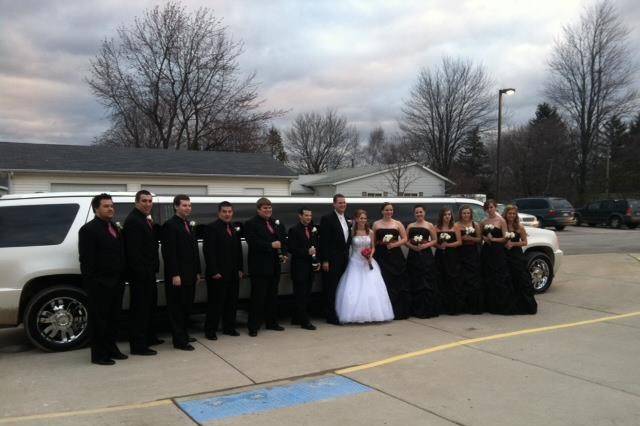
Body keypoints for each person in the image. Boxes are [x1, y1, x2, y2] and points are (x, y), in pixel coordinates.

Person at [78, 193, 127, 365]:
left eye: (111, 205)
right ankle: (99, 355)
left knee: (114, 319)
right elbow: (86, 261)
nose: (111, 208)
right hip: (99, 285)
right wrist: (92, 284)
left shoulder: (114, 227)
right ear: (96, 208)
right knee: (100, 321)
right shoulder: (88, 230)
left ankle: (112, 349)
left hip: (116, 282)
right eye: (106, 206)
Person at [335, 209, 394, 323]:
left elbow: (373, 247)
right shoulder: (351, 231)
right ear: (356, 219)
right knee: (354, 288)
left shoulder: (370, 232)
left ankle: (374, 314)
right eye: (361, 218)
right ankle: (354, 315)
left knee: (372, 288)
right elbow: (348, 246)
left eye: (364, 218)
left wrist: (370, 256)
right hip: (355, 262)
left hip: (368, 262)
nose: (363, 220)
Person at [122, 190, 162, 356]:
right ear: (136, 202)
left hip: (148, 273)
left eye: (150, 201)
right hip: (140, 274)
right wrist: (141, 273)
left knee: (149, 307)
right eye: (144, 201)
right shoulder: (133, 221)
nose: (147, 204)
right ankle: (138, 346)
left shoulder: (144, 219)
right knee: (139, 310)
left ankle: (149, 337)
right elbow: (133, 252)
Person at [161, 194, 201, 350]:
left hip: (190, 274)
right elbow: (169, 253)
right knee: (177, 309)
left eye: (189, 205)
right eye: (184, 205)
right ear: (176, 206)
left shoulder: (188, 225)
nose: (188, 208)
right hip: (178, 275)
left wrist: (197, 271)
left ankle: (183, 334)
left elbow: (194, 251)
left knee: (186, 307)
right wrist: (175, 274)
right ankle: (179, 341)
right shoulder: (170, 225)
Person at [244, 197, 287, 337]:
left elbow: (282, 240)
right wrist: (270, 245)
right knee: (258, 297)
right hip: (259, 267)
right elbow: (253, 242)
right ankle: (253, 326)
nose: (268, 210)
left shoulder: (276, 222)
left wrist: (284, 254)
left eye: (269, 208)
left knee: (272, 296)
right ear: (258, 209)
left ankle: (271, 322)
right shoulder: (251, 223)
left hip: (275, 266)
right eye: (265, 208)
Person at [202, 201, 244, 340]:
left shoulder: (232, 228)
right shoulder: (211, 228)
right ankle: (210, 331)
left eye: (230, 212)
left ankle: (229, 328)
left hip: (232, 273)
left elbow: (238, 251)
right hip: (218, 273)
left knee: (232, 302)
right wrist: (214, 271)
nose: (227, 214)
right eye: (224, 212)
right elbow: (209, 251)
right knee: (215, 303)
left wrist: (240, 268)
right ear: (219, 213)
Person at [373, 202, 410, 320]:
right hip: (381, 256)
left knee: (398, 282)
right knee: (384, 282)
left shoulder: (397, 223)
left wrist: (394, 245)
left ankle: (399, 311)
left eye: (391, 210)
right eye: (386, 210)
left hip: (396, 257)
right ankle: (384, 311)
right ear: (382, 211)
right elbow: (373, 242)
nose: (389, 212)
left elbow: (405, 239)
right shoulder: (376, 224)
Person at [319, 194, 352, 325]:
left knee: (342, 287)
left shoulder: (348, 219)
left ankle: (341, 312)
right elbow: (324, 241)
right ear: (334, 204)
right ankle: (331, 315)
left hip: (345, 259)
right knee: (331, 288)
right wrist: (325, 260)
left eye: (344, 202)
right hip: (332, 259)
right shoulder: (327, 219)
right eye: (340, 203)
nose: (342, 205)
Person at [481, 199, 515, 315]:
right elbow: (480, 236)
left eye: (491, 207)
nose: (490, 210)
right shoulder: (483, 222)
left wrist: (494, 239)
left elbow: (505, 238)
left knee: (499, 276)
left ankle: (500, 304)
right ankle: (489, 304)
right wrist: (485, 238)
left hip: (498, 251)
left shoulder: (501, 221)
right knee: (488, 275)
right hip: (487, 251)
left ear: (495, 207)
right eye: (487, 208)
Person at [405, 205, 440, 318]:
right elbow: (405, 240)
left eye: (421, 212)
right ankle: (415, 309)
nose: (419, 214)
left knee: (426, 280)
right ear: (414, 214)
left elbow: (435, 240)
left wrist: (425, 245)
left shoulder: (429, 225)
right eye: (416, 212)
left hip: (426, 255)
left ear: (424, 212)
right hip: (413, 255)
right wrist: (413, 247)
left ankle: (427, 308)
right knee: (415, 279)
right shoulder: (410, 226)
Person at [287, 207, 319, 330]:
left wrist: (317, 260)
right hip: (299, 267)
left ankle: (296, 318)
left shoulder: (313, 229)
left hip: (311, 266)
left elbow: (316, 245)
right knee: (300, 295)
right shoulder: (294, 230)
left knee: (307, 294)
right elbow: (291, 248)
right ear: (300, 216)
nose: (308, 218)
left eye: (310, 215)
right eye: (306, 215)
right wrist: (307, 252)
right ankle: (305, 322)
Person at [504, 205, 538, 315]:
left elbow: (525, 242)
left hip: (516, 255)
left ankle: (524, 305)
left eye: (514, 214)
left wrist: (513, 243)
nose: (512, 216)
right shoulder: (502, 225)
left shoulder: (519, 227)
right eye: (510, 213)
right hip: (504, 254)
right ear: (506, 214)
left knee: (520, 277)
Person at [434, 207, 463, 315]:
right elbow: (434, 242)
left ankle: (453, 306)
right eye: (445, 214)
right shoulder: (436, 227)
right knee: (441, 278)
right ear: (441, 216)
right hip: (440, 255)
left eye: (449, 214)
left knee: (453, 279)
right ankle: (442, 306)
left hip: (452, 256)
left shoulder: (455, 227)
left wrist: (448, 245)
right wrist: (439, 246)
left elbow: (459, 242)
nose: (447, 216)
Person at [456, 205, 484, 314]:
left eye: (468, 213)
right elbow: (457, 239)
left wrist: (471, 238)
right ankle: (463, 305)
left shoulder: (475, 224)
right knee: (461, 278)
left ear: (471, 214)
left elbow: (479, 239)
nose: (466, 215)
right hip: (460, 253)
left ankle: (474, 305)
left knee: (473, 278)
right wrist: (462, 239)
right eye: (464, 213)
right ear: (460, 214)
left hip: (472, 254)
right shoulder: (456, 225)